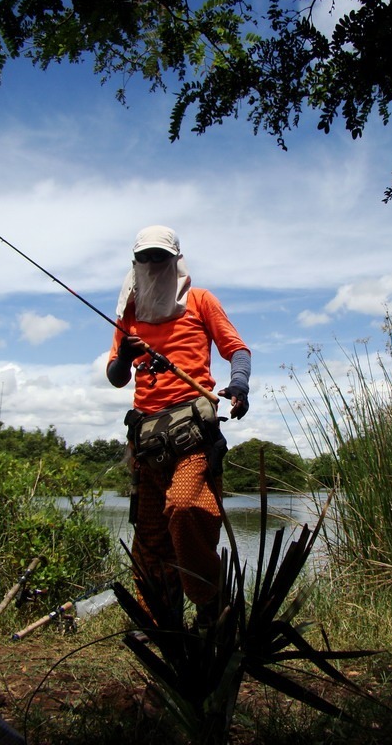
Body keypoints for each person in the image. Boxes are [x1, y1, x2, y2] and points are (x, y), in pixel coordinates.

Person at [106, 225, 251, 624]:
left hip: (192, 433)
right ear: (135, 263)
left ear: (175, 260)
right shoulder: (129, 314)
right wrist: (125, 355)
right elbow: (117, 376)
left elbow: (236, 349)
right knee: (150, 537)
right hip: (147, 440)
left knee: (185, 508)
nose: (153, 264)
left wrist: (239, 384)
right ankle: (160, 626)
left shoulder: (201, 300)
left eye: (160, 257)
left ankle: (211, 601)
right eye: (145, 257)